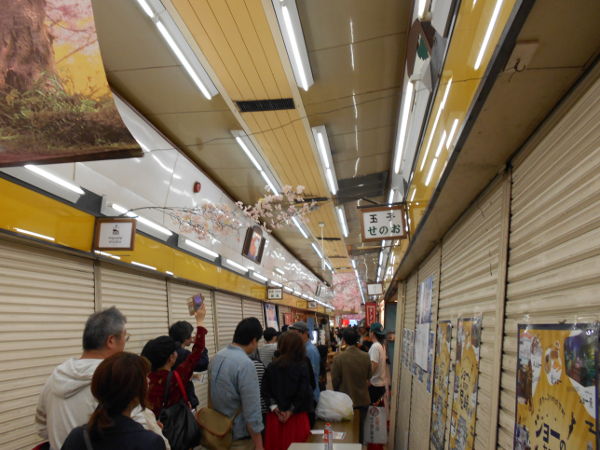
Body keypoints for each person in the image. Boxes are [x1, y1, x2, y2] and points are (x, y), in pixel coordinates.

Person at [35, 307, 165, 450]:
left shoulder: (55, 377)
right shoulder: (118, 382)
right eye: (125, 337)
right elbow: (140, 437)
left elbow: (42, 429)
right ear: (111, 340)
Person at [61, 352, 165, 450]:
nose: (149, 381)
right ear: (137, 393)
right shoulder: (149, 442)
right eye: (145, 378)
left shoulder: (78, 437)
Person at [208, 317, 264, 450]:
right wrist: (259, 445)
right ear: (253, 340)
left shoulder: (217, 357)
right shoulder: (246, 364)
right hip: (238, 438)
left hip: (218, 433)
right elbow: (252, 411)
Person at [141, 304, 207, 417]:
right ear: (170, 358)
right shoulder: (176, 378)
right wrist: (200, 321)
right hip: (177, 422)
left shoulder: (145, 380)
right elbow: (196, 355)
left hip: (156, 422)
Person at [262, 331, 314, 450]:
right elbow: (305, 390)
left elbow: (264, 390)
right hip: (297, 417)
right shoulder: (303, 365)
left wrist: (275, 408)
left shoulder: (272, 366)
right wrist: (291, 410)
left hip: (275, 417)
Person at [331, 328, 372, 443]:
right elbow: (369, 376)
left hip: (345, 400)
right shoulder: (366, 356)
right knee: (360, 429)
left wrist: (338, 392)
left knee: (346, 431)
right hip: (363, 399)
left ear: (344, 340)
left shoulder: (338, 358)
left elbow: (335, 380)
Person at [168, 320, 209, 408]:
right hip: (183, 400)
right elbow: (203, 364)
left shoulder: (168, 351)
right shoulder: (183, 354)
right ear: (185, 338)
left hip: (170, 398)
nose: (192, 337)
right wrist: (201, 347)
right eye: (190, 335)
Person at [289, 321, 320, 403]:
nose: (293, 337)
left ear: (304, 333)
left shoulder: (310, 350)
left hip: (311, 395)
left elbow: (312, 375)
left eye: (295, 334)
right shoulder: (302, 348)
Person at [368, 322, 388, 404]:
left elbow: (374, 365)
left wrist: (367, 379)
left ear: (372, 333)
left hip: (375, 385)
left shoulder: (375, 346)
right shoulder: (381, 345)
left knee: (371, 409)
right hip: (380, 384)